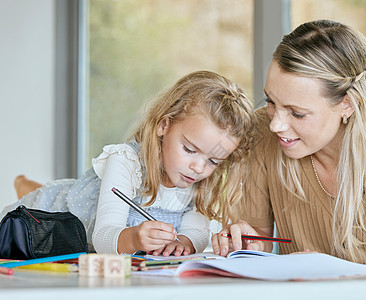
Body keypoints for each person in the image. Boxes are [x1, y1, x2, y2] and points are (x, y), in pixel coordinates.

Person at [212, 19, 366, 272]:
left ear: (348, 104)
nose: (276, 124)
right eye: (271, 101)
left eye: (297, 113)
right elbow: (257, 243)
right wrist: (244, 243)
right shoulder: (263, 131)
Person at [2, 70, 255, 257]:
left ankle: (26, 184)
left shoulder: (199, 178)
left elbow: (197, 232)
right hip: (56, 215)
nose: (199, 168)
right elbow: (102, 238)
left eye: (213, 160)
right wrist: (133, 238)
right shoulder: (125, 161)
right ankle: (24, 185)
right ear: (163, 125)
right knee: (29, 209)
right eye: (189, 149)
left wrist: (185, 242)